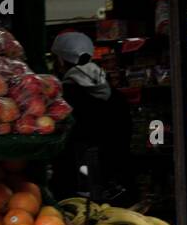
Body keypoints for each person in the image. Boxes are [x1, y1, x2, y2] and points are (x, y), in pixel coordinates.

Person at [49, 29, 134, 202]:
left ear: (60, 60)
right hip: (115, 184)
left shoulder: (61, 98)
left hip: (76, 187)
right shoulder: (113, 93)